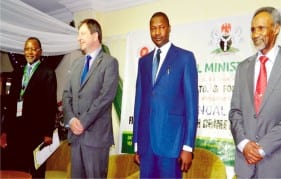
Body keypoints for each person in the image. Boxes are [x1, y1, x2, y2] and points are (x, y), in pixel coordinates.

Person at [229, 6, 281, 178]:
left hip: (277, 164)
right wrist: (244, 144)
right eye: (252, 29)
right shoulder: (242, 67)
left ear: (276, 29)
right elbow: (235, 112)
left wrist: (263, 148)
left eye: (261, 28)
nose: (255, 34)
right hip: (245, 165)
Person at [133, 12, 198, 178]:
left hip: (172, 146)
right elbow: (139, 103)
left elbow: (192, 107)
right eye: (153, 28)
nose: (157, 32)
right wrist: (137, 143)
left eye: (161, 27)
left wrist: (188, 146)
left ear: (169, 29)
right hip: (146, 146)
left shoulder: (185, 58)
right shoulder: (144, 62)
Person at [62, 18, 119, 178]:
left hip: (96, 138)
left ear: (95, 36)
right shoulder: (75, 64)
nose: (78, 38)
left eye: (83, 34)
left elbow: (106, 97)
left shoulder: (109, 63)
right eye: (78, 34)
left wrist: (83, 122)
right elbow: (67, 94)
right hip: (76, 136)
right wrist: (72, 120)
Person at [0, 37, 57, 178]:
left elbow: (50, 103)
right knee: (18, 170)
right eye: (27, 49)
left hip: (36, 132)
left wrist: (48, 132)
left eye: (33, 48)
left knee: (36, 171)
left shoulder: (47, 72)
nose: (29, 52)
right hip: (16, 132)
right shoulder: (18, 72)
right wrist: (5, 130)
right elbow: (11, 103)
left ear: (40, 52)